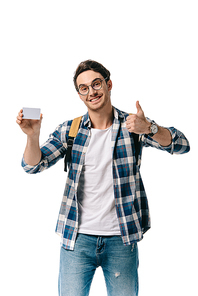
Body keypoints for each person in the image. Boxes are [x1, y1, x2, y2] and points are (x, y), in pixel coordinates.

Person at [16, 60, 190, 296]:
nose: (92, 92)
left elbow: (181, 145)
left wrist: (149, 127)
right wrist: (32, 136)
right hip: (77, 239)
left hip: (121, 237)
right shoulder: (70, 130)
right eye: (84, 88)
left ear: (108, 85)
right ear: (79, 95)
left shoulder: (132, 126)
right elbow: (32, 166)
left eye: (96, 84)